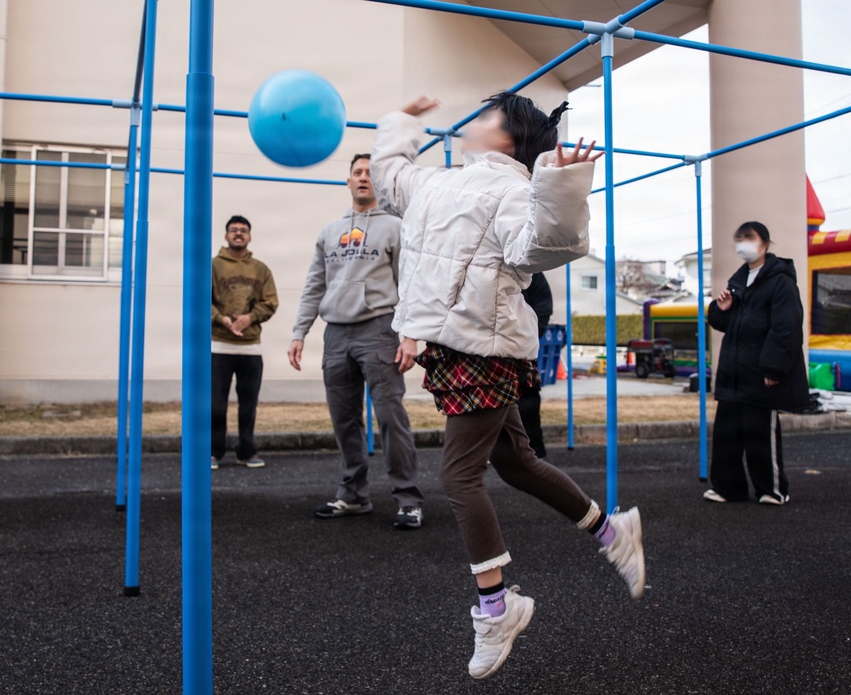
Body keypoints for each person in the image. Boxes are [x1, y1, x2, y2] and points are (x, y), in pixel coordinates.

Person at [371, 93, 645, 680]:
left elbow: (548, 246)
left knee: (459, 476)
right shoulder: (438, 182)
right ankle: (609, 528)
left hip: (487, 346)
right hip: (454, 344)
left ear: (509, 138)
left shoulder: (517, 190)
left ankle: (497, 607)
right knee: (515, 462)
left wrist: (564, 182)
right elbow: (388, 175)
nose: (475, 123)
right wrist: (403, 123)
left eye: (489, 117)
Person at [287, 154, 424, 530]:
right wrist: (300, 332)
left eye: (370, 174)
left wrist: (409, 334)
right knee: (344, 419)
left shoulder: (396, 227)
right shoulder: (329, 232)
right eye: (357, 173)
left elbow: (409, 283)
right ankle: (353, 495)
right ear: (347, 181)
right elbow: (315, 285)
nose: (364, 178)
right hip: (336, 334)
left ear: (378, 184)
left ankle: (408, 500)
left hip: (379, 329)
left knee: (390, 417)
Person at [704, 221, 808, 505]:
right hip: (733, 373)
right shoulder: (739, 281)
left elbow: (786, 328)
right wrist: (720, 309)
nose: (743, 243)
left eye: (749, 238)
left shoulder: (780, 281)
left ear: (764, 243)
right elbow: (726, 323)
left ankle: (772, 489)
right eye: (739, 238)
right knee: (727, 434)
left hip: (760, 373)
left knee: (760, 434)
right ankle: (728, 488)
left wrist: (773, 368)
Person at [211, 215, 279, 470]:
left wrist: (250, 317)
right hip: (219, 345)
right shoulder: (214, 266)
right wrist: (222, 320)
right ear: (226, 235)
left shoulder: (261, 269)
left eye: (243, 230)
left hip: (251, 347)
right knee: (216, 404)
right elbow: (200, 300)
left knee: (248, 404)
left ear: (250, 236)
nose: (238, 234)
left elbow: (271, 302)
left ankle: (246, 450)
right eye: (233, 230)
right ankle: (214, 451)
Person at [518, 272, 553, 458]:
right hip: (493, 350)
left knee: (528, 402)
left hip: (523, 349)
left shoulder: (530, 270)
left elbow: (544, 306)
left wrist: (530, 335)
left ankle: (534, 452)